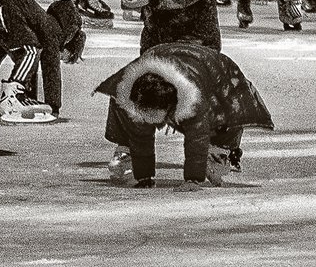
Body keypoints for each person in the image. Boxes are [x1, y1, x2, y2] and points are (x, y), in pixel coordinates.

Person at [99, 42, 272, 188]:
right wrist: (143, 176)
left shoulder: (192, 96)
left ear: (171, 108)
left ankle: (217, 153)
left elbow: (197, 137)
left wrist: (193, 180)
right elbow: (140, 136)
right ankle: (127, 153)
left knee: (225, 115)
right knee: (127, 116)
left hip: (216, 73)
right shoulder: (131, 94)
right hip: (165, 60)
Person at [0, 0, 85, 120]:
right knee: (30, 52)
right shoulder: (53, 32)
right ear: (68, 44)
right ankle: (12, 97)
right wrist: (54, 108)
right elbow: (51, 69)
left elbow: (31, 71)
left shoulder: (41, 20)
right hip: (0, 7)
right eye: (65, 57)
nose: (61, 59)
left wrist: (29, 97)